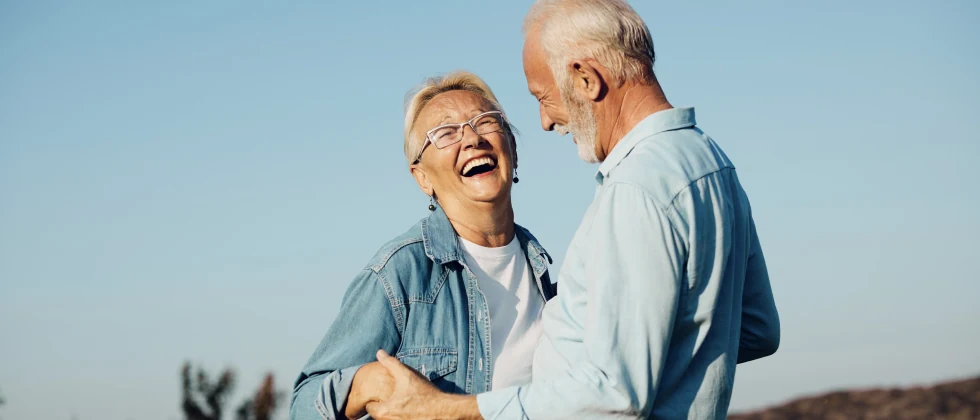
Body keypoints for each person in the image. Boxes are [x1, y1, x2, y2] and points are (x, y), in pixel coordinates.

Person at [364, 1, 781, 419]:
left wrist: (444, 409)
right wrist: (648, 354)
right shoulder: (711, 161)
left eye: (544, 97)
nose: (545, 121)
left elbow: (616, 395)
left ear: (585, 78)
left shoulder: (635, 189)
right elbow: (758, 329)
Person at [289, 71, 558, 420]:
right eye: (446, 133)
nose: (472, 138)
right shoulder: (399, 273)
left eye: (486, 122)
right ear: (423, 177)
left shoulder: (543, 274)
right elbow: (302, 404)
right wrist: (367, 383)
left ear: (514, 150)